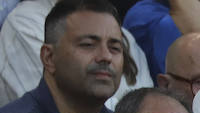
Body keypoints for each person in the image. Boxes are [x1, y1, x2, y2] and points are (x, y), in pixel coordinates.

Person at [0, 0, 152, 107]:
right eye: (87, 45)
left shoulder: (126, 37)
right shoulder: (25, 22)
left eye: (114, 48)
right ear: (48, 57)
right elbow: (57, 109)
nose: (106, 56)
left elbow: (147, 110)